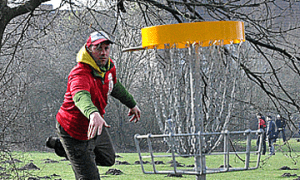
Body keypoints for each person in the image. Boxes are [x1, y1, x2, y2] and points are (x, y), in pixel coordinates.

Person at [46, 31, 141, 180]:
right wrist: (93, 113)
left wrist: (132, 104)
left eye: (106, 48)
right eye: (98, 48)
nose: (103, 53)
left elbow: (114, 86)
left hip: (93, 125)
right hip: (73, 129)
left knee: (108, 159)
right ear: (89, 49)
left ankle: (63, 147)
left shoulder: (108, 68)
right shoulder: (80, 73)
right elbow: (80, 95)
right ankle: (73, 150)